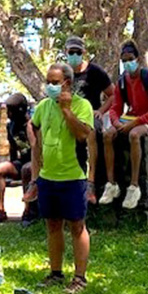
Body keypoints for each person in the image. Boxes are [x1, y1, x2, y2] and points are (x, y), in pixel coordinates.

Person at [29, 63, 94, 294]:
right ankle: (55, 273)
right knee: (52, 225)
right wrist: (35, 178)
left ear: (67, 83)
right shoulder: (43, 106)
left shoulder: (82, 105)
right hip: (48, 177)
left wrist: (67, 110)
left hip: (73, 176)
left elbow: (82, 134)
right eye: (48, 81)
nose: (50, 86)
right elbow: (35, 133)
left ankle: (80, 277)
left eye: (55, 82)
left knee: (77, 226)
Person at [98, 39, 148, 209]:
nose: (127, 63)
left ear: (138, 59)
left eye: (130, 59)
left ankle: (134, 186)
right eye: (124, 60)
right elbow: (115, 108)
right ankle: (111, 184)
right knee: (107, 135)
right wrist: (116, 122)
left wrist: (134, 123)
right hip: (131, 117)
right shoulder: (121, 81)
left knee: (134, 135)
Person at [63, 36, 114, 204]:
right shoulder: (64, 73)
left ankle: (90, 183)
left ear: (83, 52)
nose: (75, 55)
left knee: (90, 132)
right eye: (71, 52)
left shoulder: (95, 71)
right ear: (66, 52)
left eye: (78, 52)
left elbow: (112, 95)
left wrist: (101, 110)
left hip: (90, 116)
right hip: (70, 116)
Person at [0, 93, 37, 225]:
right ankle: (0, 209)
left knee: (27, 169)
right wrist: (12, 164)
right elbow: (13, 149)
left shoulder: (34, 124)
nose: (7, 113)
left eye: (10, 111)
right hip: (22, 162)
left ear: (19, 111)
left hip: (37, 163)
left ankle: (28, 210)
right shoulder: (11, 126)